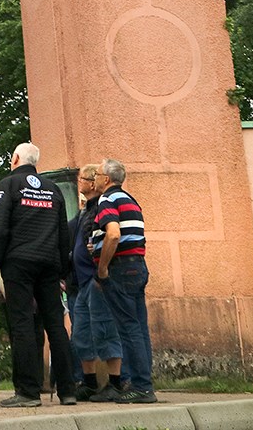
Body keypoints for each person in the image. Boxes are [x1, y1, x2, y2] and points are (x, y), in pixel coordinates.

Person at [0, 143, 75, 407]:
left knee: (22, 323)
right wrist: (62, 268)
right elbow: (64, 233)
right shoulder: (53, 189)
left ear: (15, 158)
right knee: (56, 325)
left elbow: (0, 228)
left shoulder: (8, 184)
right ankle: (68, 390)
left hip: (19, 262)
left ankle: (28, 391)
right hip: (49, 263)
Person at [90, 159, 156, 404]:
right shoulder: (130, 200)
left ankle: (140, 386)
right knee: (139, 328)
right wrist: (96, 244)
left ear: (106, 179)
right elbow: (125, 233)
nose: (94, 178)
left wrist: (103, 266)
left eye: (96, 174)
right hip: (137, 267)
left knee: (128, 329)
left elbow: (114, 234)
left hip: (119, 269)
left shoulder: (107, 200)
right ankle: (145, 383)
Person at [70, 165, 124, 403]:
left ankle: (117, 382)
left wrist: (99, 267)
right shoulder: (85, 210)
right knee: (81, 333)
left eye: (81, 179)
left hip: (96, 278)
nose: (78, 182)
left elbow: (107, 236)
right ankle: (89, 382)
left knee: (105, 329)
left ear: (93, 183)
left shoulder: (102, 207)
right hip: (81, 281)